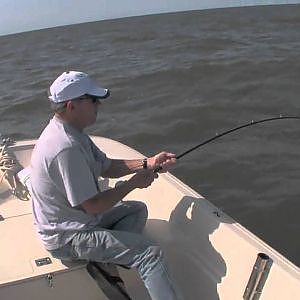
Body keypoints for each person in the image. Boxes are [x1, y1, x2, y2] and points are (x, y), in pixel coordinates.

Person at [30, 71, 180, 300]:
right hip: (68, 237)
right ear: (72, 106)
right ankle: (102, 256)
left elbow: (106, 166)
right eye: (93, 100)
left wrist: (148, 163)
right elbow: (93, 206)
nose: (98, 105)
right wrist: (132, 184)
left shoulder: (73, 133)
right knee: (151, 254)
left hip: (80, 221)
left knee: (137, 209)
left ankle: (103, 257)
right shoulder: (65, 148)